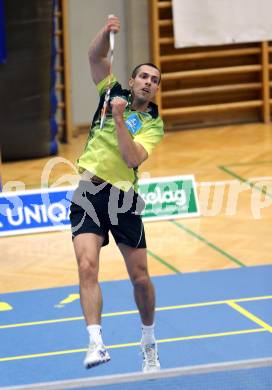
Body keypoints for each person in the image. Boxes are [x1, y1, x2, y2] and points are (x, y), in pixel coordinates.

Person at [69, 15, 164, 372]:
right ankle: (95, 342)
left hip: (123, 201)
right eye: (144, 76)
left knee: (140, 278)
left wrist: (120, 120)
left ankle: (148, 340)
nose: (149, 83)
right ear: (131, 80)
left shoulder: (154, 123)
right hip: (88, 193)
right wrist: (106, 32)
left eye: (154, 81)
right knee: (86, 265)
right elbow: (95, 58)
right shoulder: (110, 92)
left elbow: (131, 157)